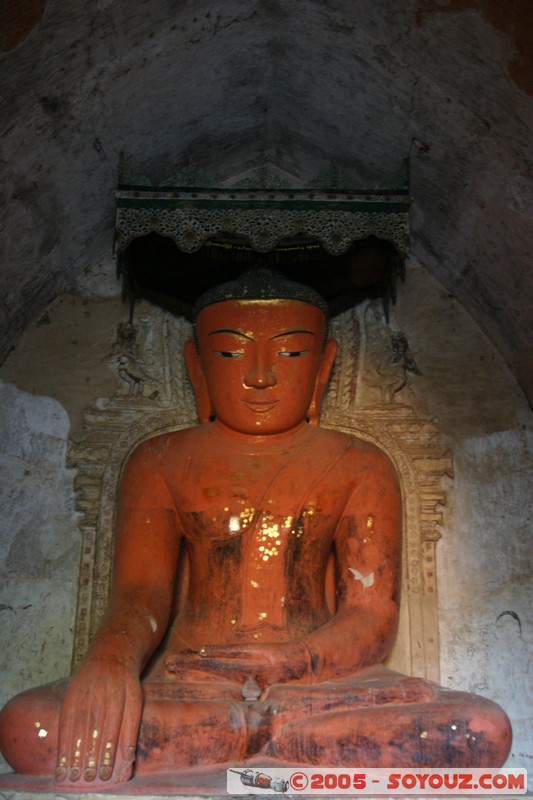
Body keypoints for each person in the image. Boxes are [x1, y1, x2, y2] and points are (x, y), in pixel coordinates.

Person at [0, 269, 511, 789]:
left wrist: (293, 661)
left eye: (290, 353)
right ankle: (276, 738)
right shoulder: (157, 460)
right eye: (229, 353)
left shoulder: (362, 464)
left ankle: (250, 734)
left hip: (320, 687)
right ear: (197, 367)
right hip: (192, 682)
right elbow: (140, 593)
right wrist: (109, 663)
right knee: (33, 726)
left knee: (476, 728)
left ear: (322, 367)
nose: (261, 376)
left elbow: (372, 611)